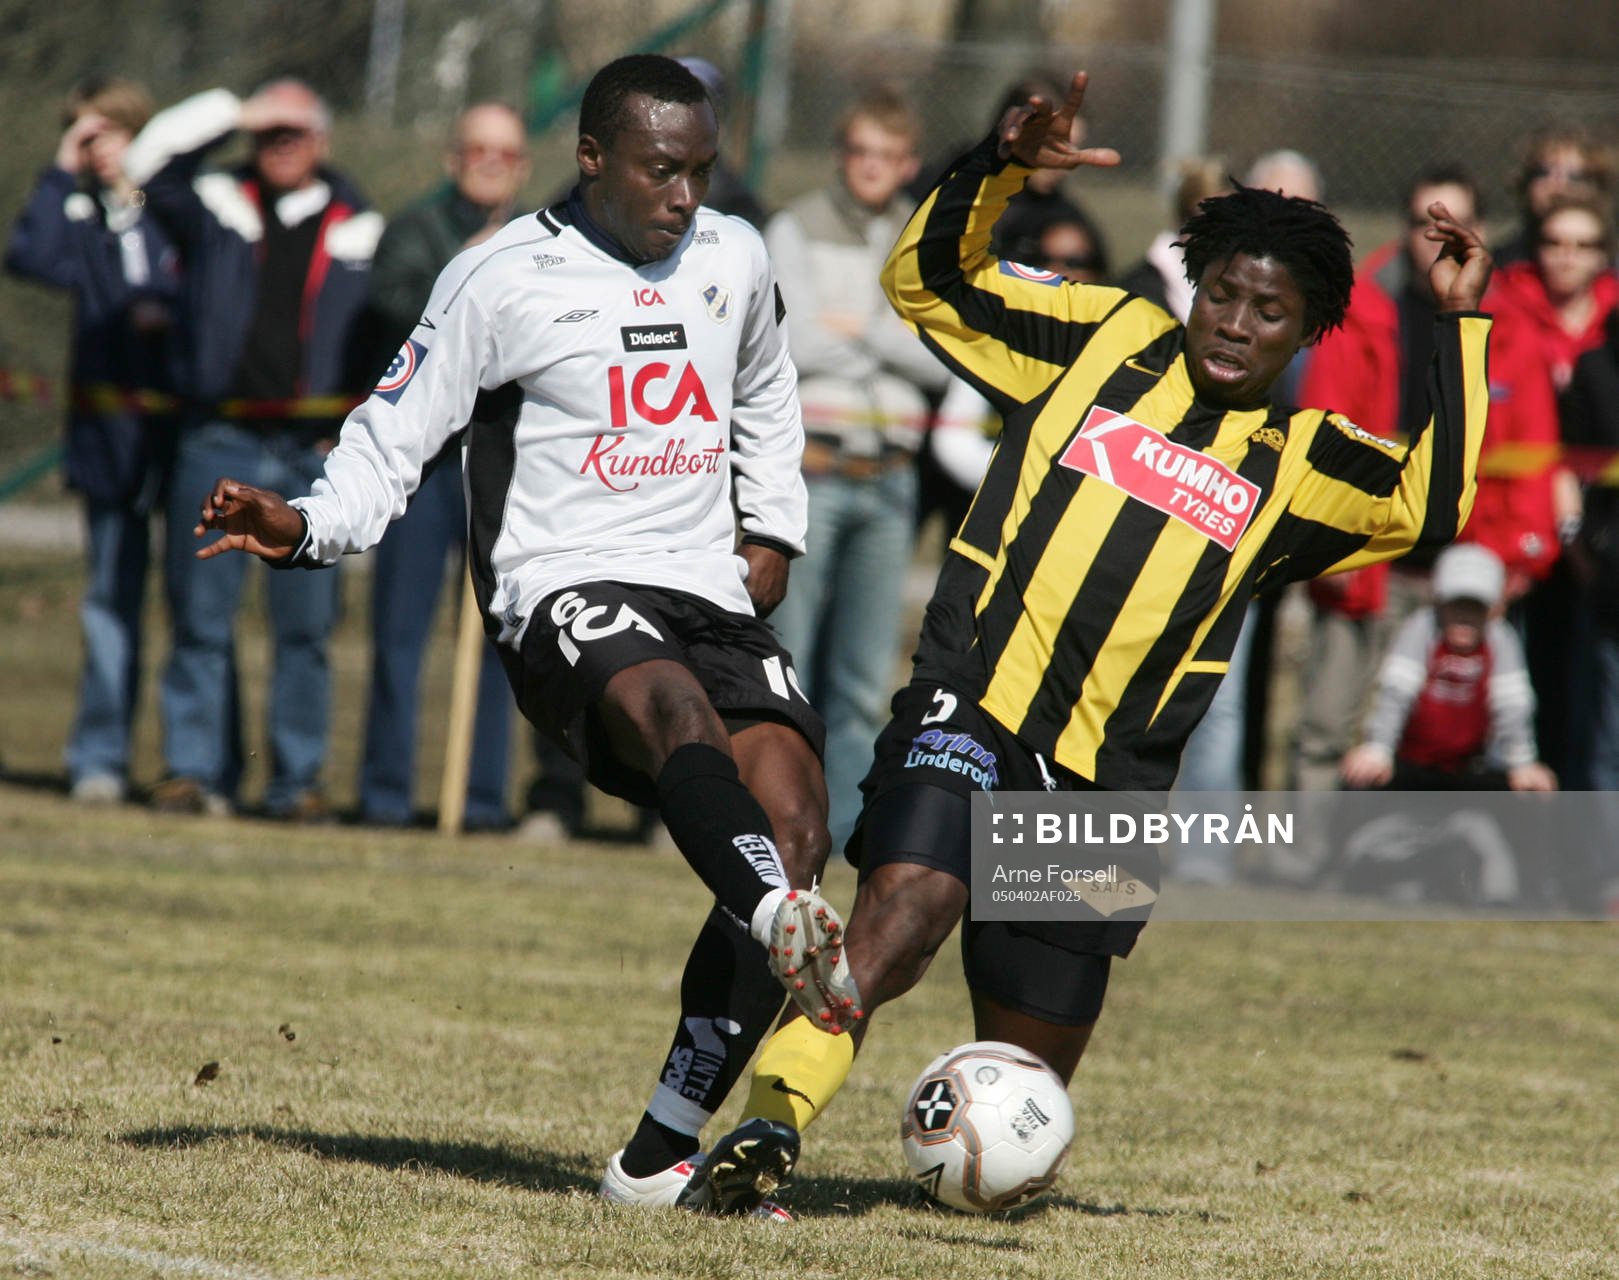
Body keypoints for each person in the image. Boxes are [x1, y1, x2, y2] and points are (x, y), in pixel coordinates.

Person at [684, 69, 1495, 1215]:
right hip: (973, 701)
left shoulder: (1304, 462)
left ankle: (956, 1170)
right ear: (1191, 284)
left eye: (1268, 313)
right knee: (899, 907)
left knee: (1023, 1088)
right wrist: (993, 165)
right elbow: (925, 280)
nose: (1234, 323)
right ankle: (765, 1131)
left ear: (1304, 331)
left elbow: (1431, 504)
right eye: (1221, 293)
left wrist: (1460, 324)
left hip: (1105, 781)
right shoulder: (1100, 338)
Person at [182, 54, 844, 1220]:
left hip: (703, 585)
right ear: (591, 157)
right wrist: (300, 527)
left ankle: (655, 1156)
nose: (684, 197)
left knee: (795, 818)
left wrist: (772, 529)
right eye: (658, 171)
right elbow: (391, 440)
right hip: (563, 589)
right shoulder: (497, 278)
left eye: (698, 171)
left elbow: (767, 388)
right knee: (680, 723)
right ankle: (777, 918)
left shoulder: (734, 256)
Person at [124, 78, 382, 819]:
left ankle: (296, 783)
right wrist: (235, 111)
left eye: (295, 130)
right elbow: (144, 165)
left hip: (313, 454)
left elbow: (394, 327)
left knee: (305, 630)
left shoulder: (360, 223)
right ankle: (192, 773)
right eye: (269, 131)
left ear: (324, 143)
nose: (281, 142)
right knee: (200, 618)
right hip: (218, 437)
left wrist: (355, 424)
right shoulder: (211, 203)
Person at [1289, 166, 1557, 793]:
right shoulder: (1360, 309)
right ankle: (1297, 863)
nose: (1434, 239)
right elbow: (1319, 429)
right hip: (1367, 555)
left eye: (1453, 223)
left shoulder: (1510, 322)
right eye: (1421, 224)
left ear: (1480, 232)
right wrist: (1327, 538)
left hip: (1466, 568)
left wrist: (1518, 555)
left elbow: (1534, 451)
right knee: (1330, 722)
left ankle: (1411, 870)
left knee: (1446, 741)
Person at [764, 87, 949, 849]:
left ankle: (840, 832)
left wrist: (860, 326)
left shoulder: (923, 234)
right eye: (859, 152)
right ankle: (776, 821)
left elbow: (941, 352)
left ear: (906, 163)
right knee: (789, 663)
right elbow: (793, 342)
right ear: (843, 155)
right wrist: (886, 328)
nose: (872, 169)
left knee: (866, 679)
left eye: (888, 156)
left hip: (893, 475)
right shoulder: (793, 228)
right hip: (812, 467)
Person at [5, 76, 179, 806]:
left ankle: (199, 767)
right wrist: (60, 167)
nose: (95, 148)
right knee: (111, 600)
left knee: (200, 612)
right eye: (84, 134)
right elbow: (29, 256)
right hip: (109, 437)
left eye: (104, 131)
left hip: (189, 431)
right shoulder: (79, 216)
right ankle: (100, 758)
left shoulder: (177, 205)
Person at [356, 104, 530, 831]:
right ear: (453, 158)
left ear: (520, 165)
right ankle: (385, 796)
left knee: (502, 636)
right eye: (476, 149)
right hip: (424, 468)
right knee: (400, 635)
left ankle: (481, 801)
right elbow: (393, 307)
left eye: (504, 152)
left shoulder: (542, 244)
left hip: (503, 467)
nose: (489, 162)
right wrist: (473, 273)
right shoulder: (412, 231)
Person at [1341, 543, 1555, 792]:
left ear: (1492, 610)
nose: (1464, 616)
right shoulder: (1421, 629)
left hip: (1472, 769)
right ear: (1439, 603)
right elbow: (1395, 693)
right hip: (1411, 766)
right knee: (1360, 780)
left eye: (1475, 607)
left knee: (1529, 794)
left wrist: (1522, 762)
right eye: (1456, 604)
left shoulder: (1500, 639)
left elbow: (1513, 705)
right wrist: (1379, 749)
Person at [1493, 125, 1616, 268]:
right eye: (1543, 173)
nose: (1558, 186)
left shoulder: (1613, 268)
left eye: (1575, 176)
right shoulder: (1503, 264)